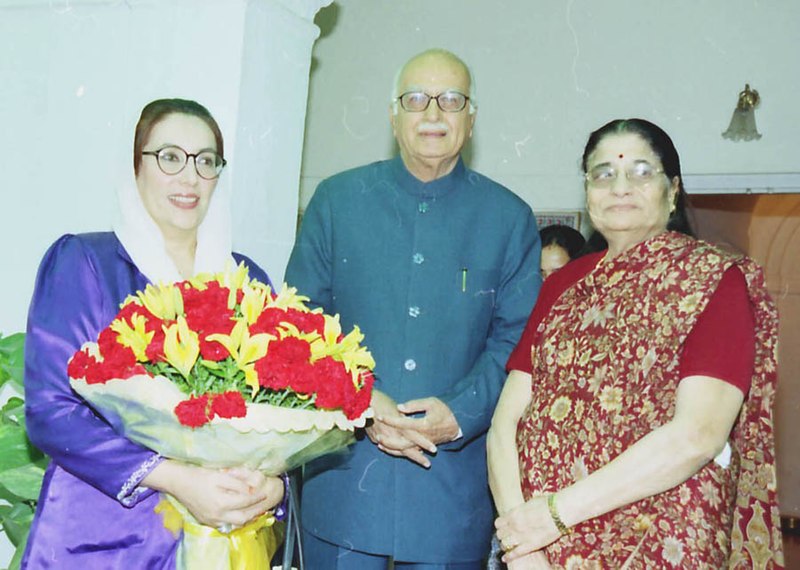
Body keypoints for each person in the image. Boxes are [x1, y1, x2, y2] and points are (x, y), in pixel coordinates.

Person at [487, 118, 784, 568]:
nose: (620, 186)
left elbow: (697, 436)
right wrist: (522, 544)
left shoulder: (712, 280)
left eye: (641, 171)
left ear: (673, 189)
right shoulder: (562, 284)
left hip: (657, 541)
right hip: (541, 548)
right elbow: (505, 422)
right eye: (603, 173)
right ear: (587, 191)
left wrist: (554, 515)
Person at [285, 48, 541, 567]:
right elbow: (299, 320)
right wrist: (362, 398)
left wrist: (461, 411)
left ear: (471, 118)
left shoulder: (509, 218)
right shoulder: (336, 202)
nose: (432, 114)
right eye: (416, 99)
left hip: (451, 494)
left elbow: (517, 340)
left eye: (450, 100)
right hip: (346, 486)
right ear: (393, 114)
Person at [22, 98, 286, 568]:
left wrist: (275, 482)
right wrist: (177, 478)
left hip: (223, 538)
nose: (189, 177)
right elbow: (51, 411)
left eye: (206, 161)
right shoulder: (86, 263)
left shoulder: (247, 279)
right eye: (169, 157)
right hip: (102, 539)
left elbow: (287, 407)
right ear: (135, 165)